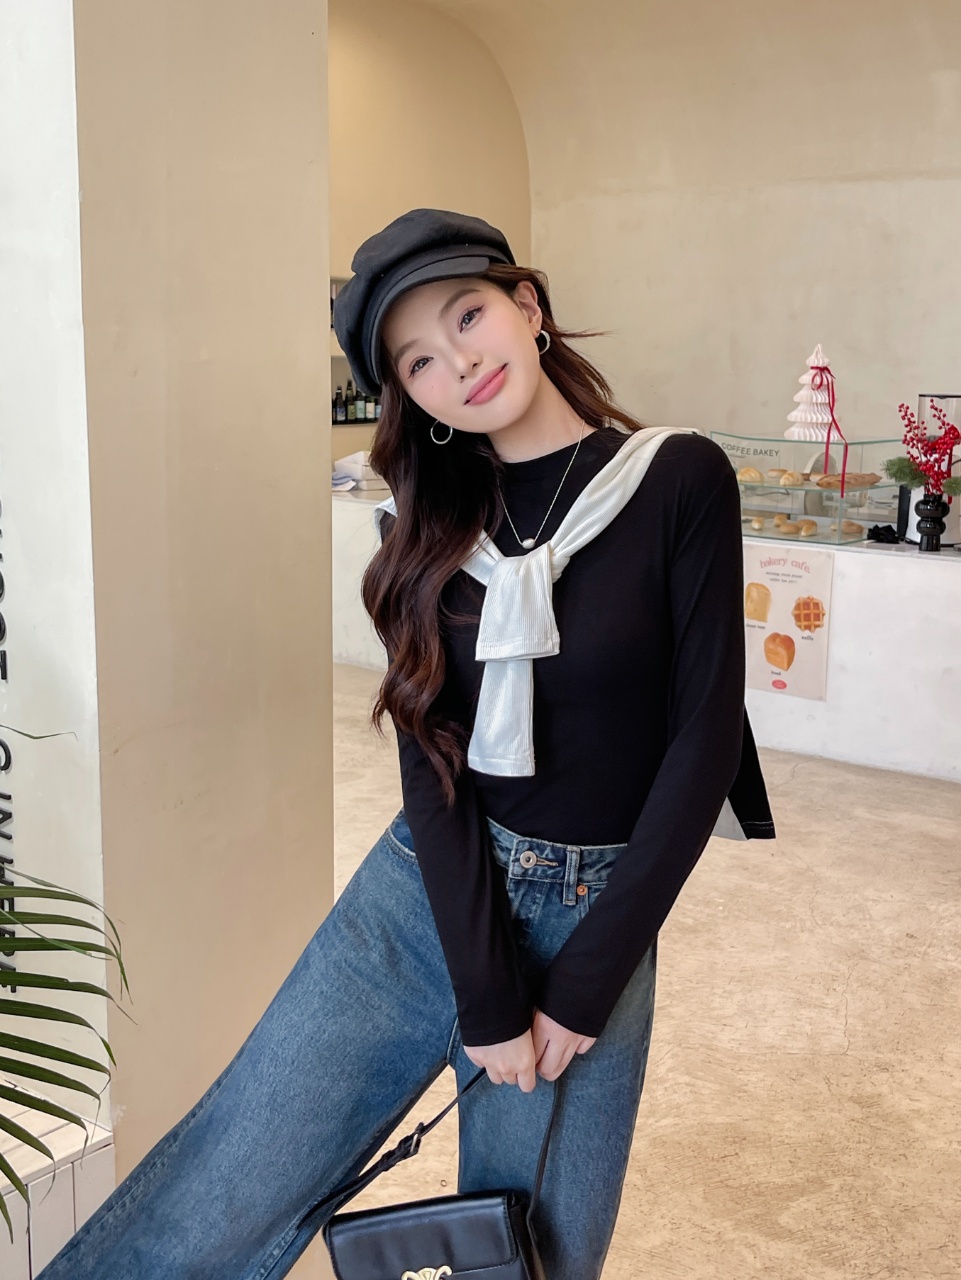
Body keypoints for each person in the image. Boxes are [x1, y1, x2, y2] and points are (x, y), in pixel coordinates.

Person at [39, 208, 775, 1280]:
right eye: (417, 360)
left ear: (528, 304)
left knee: (529, 1251)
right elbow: (430, 761)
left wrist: (583, 985)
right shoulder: (421, 527)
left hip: (595, 909)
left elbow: (702, 740)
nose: (456, 363)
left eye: (466, 316)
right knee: (227, 1177)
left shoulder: (677, 479)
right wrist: (484, 991)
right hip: (422, 892)